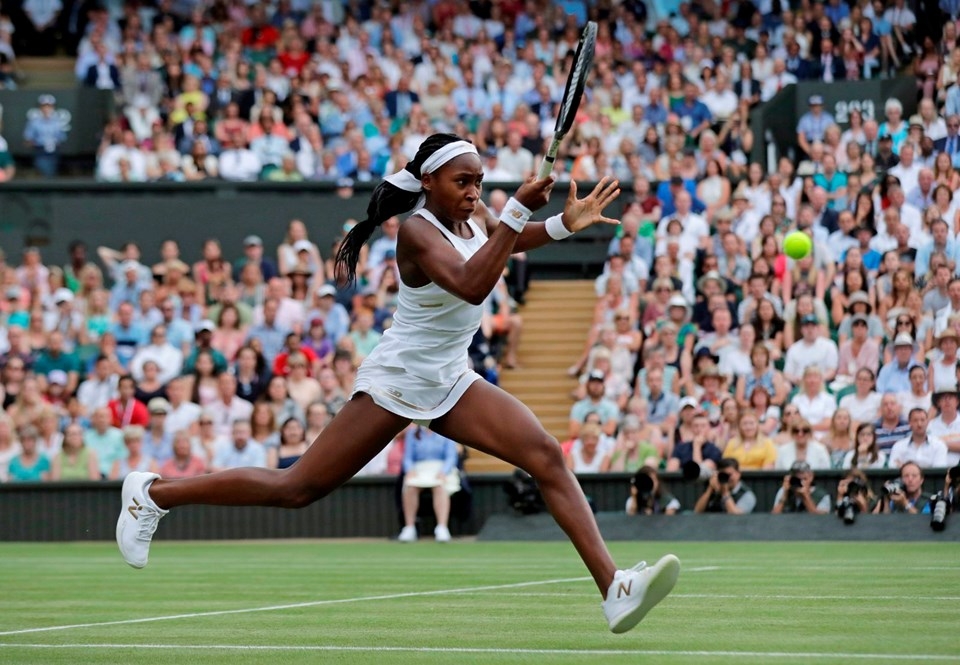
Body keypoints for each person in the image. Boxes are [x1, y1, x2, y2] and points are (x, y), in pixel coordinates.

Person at [114, 133, 680, 633]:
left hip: (451, 377)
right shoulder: (415, 231)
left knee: (546, 455)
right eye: (463, 181)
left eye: (480, 182)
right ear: (429, 182)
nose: (474, 191)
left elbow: (502, 242)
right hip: (399, 379)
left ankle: (613, 588)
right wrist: (511, 214)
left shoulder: (476, 218)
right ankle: (153, 493)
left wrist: (557, 224)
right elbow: (472, 283)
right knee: (297, 489)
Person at [397, 425, 460, 542]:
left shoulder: (447, 431)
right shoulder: (412, 433)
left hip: (440, 468)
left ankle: (442, 527)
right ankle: (409, 527)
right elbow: (408, 457)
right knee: (410, 486)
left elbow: (451, 457)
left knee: (440, 486)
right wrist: (410, 470)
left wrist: (443, 472)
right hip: (419, 468)